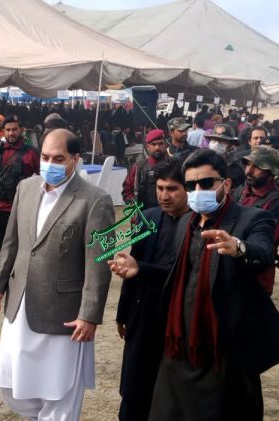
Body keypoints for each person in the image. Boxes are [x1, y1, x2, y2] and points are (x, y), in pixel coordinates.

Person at [109, 149, 279, 419]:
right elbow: (179, 276)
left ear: (226, 184)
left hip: (222, 352)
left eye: (206, 183)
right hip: (178, 346)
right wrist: (141, 269)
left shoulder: (252, 219)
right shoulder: (186, 222)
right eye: (191, 185)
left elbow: (263, 252)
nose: (198, 191)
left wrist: (238, 247)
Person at [0, 129, 114, 420]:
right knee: (12, 384)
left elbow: (98, 262)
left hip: (64, 313)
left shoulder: (95, 200)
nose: (49, 164)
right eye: (45, 157)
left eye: (58, 159)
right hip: (21, 305)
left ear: (75, 160)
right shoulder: (26, 188)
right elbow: (12, 242)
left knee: (60, 389)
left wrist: (90, 315)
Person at [112, 157, 189, 421]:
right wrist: (123, 314)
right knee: (134, 391)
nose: (164, 196)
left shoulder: (199, 225)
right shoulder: (148, 218)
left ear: (187, 189)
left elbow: (185, 274)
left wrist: (142, 269)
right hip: (143, 316)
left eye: (172, 189)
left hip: (179, 319)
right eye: (160, 188)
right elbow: (130, 268)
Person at [0, 116, 39, 301]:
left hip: (19, 209)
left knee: (19, 248)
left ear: (21, 130)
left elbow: (42, 177)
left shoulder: (31, 153)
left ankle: (16, 285)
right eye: (8, 130)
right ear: (3, 131)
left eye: (14, 129)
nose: (11, 133)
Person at [232, 146, 279, 295]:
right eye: (248, 164)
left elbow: (264, 238)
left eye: (257, 167)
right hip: (231, 268)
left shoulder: (278, 203)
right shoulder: (239, 193)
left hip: (257, 273)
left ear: (271, 173)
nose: (249, 171)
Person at [122, 129, 168, 209]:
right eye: (153, 144)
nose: (157, 147)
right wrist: (135, 205)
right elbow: (127, 191)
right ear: (147, 146)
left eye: (160, 144)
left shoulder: (174, 165)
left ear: (165, 145)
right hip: (144, 213)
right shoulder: (138, 168)